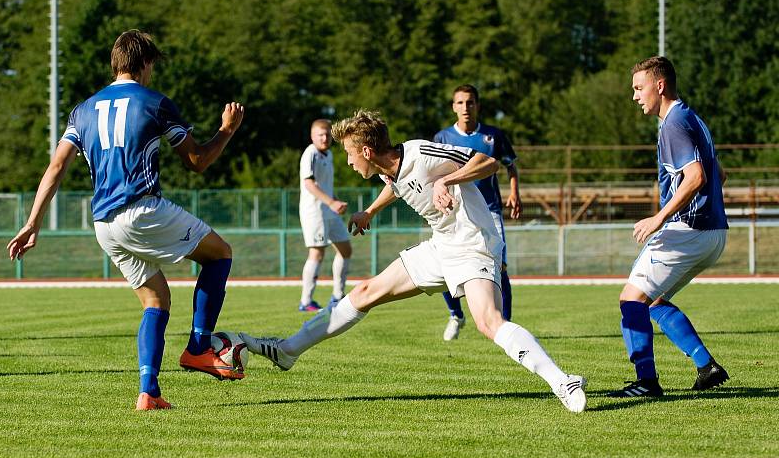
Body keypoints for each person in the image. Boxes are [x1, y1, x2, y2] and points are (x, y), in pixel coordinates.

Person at [239, 109, 588, 413]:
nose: (347, 161)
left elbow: (488, 163)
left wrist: (447, 180)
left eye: (349, 154)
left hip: (473, 245)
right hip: (440, 247)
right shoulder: (385, 168)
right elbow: (397, 183)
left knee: (488, 321)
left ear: (366, 150)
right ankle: (287, 350)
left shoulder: (422, 151)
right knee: (365, 292)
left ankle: (563, 382)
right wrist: (370, 211)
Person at [6, 29, 246, 410]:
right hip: (142, 210)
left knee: (156, 298)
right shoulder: (155, 103)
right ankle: (200, 347)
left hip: (104, 224)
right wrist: (226, 131)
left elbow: (56, 166)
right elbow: (197, 161)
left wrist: (32, 222)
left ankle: (148, 393)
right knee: (220, 254)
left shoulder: (82, 110)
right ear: (145, 63)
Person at [609, 56, 729, 398]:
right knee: (655, 300)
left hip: (688, 230)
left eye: (638, 87)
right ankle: (706, 366)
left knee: (631, 299)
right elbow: (720, 175)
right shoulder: (693, 118)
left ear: (659, 85)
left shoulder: (673, 124)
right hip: (714, 233)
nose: (635, 96)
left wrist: (660, 217)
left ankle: (646, 382)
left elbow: (697, 177)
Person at [434, 84, 521, 340]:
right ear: (453, 107)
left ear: (477, 105)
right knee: (443, 264)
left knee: (500, 266)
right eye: (460, 103)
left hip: (490, 210)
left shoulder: (493, 136)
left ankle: (506, 325)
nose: (465, 107)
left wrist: (514, 193)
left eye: (470, 102)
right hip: (455, 212)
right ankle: (456, 315)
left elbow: (510, 167)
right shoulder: (442, 138)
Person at [297, 119, 352, 312]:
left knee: (346, 249)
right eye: (320, 134)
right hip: (314, 212)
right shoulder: (310, 153)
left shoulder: (328, 154)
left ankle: (337, 296)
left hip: (329, 210)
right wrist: (331, 202)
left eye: (328, 134)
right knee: (317, 253)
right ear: (312, 136)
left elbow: (325, 185)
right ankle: (306, 301)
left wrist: (335, 200)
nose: (325, 137)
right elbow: (309, 184)